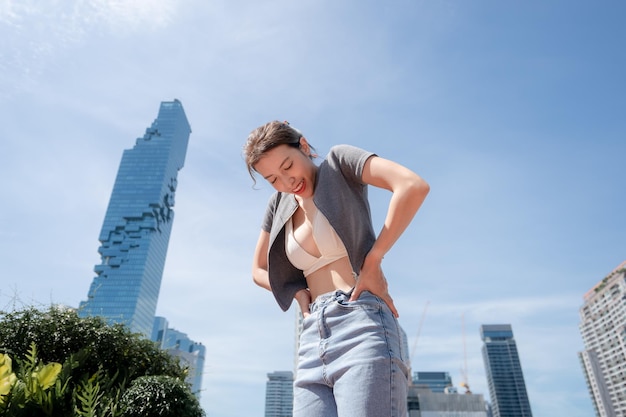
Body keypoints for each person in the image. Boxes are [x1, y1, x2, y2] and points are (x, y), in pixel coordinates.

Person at [243, 121, 429, 417]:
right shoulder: (278, 204)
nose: (287, 182)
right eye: (273, 179)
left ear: (304, 146)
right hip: (312, 335)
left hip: (362, 321)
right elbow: (257, 269)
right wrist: (297, 293)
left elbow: (411, 186)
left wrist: (373, 260)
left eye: (288, 166)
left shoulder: (339, 163)